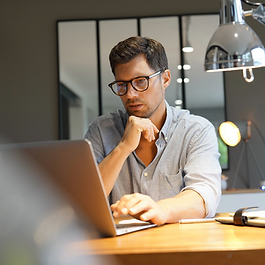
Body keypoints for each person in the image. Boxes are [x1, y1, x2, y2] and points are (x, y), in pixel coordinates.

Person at [85, 36, 221, 225]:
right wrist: (123, 147)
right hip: (118, 249)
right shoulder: (101, 130)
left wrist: (160, 209)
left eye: (141, 81)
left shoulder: (196, 130)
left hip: (180, 247)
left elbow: (205, 195)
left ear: (165, 79)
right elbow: (85, 202)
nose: (130, 94)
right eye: (122, 85)